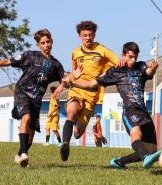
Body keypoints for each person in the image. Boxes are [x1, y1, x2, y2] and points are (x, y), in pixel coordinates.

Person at [65, 42, 161, 169]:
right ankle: (145, 158)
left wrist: (153, 68)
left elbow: (148, 72)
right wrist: (73, 83)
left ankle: (119, 162)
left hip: (144, 112)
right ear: (123, 55)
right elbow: (92, 84)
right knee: (135, 132)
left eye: (135, 57)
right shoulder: (115, 71)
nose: (133, 60)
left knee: (152, 150)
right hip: (130, 110)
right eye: (130, 56)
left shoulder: (141, 66)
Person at [0, 29, 65, 167]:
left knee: (31, 134)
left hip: (36, 100)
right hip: (22, 92)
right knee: (26, 118)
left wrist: (73, 78)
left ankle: (20, 154)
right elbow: (8, 61)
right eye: (42, 43)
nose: (46, 45)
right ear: (38, 45)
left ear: (52, 42)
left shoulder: (56, 64)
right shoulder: (30, 56)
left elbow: (65, 80)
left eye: (48, 42)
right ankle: (24, 154)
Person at [57, 20, 119, 161]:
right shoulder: (75, 52)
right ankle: (65, 144)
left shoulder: (103, 50)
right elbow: (74, 73)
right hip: (76, 89)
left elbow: (118, 63)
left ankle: (83, 119)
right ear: (79, 36)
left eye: (90, 35)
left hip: (91, 93)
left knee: (78, 133)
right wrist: (64, 83)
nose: (88, 38)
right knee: (71, 112)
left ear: (94, 35)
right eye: (84, 35)